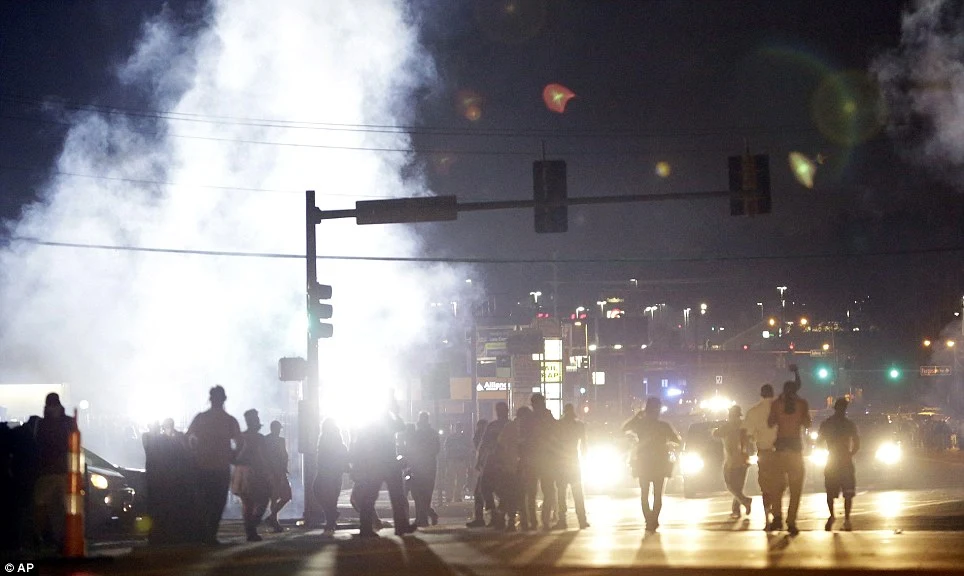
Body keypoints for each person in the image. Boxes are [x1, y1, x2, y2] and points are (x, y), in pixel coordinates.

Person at [350, 392, 417, 538]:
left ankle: (368, 527)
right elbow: (401, 426)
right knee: (392, 496)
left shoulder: (374, 419)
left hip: (379, 462)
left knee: (375, 495)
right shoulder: (384, 418)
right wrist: (395, 412)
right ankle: (399, 526)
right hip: (385, 462)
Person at [187, 385, 242, 545]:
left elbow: (187, 437)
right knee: (217, 502)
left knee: (203, 501)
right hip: (220, 468)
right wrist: (234, 455)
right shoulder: (229, 420)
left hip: (202, 466)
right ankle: (210, 534)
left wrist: (193, 451)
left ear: (210, 399)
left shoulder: (201, 418)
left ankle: (203, 533)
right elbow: (240, 442)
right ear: (224, 399)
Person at [623, 397, 680, 532]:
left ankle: (649, 520)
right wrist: (669, 445)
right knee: (658, 494)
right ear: (658, 410)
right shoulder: (663, 426)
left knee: (644, 493)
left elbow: (624, 428)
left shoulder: (640, 424)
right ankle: (654, 519)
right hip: (660, 463)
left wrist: (636, 417)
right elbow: (677, 440)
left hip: (644, 463)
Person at [767, 364, 809, 536]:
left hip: (780, 448)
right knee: (796, 488)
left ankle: (777, 516)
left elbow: (770, 423)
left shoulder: (777, 404)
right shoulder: (801, 404)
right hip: (795, 449)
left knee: (777, 486)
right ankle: (791, 521)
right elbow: (807, 423)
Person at [33, 393, 74, 551]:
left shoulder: (42, 424)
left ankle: (40, 537)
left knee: (41, 505)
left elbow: (37, 446)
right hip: (65, 471)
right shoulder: (69, 422)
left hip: (46, 472)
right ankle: (65, 538)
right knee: (65, 508)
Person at [742, 383, 781, 530]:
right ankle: (777, 514)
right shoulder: (780, 409)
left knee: (765, 486)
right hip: (780, 452)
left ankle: (768, 519)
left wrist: (745, 451)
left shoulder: (754, 411)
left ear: (761, 394)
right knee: (778, 485)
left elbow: (746, 434)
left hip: (764, 453)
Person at [818, 398, 860, 531]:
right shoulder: (849, 424)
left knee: (830, 491)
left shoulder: (827, 423)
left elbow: (819, 442)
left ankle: (832, 516)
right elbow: (857, 442)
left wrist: (829, 449)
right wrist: (850, 453)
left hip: (832, 459)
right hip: (845, 459)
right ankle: (847, 519)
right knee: (848, 492)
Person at [232, 409, 271, 542]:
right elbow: (264, 456)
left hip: (241, 471)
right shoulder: (259, 438)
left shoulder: (242, 436)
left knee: (247, 503)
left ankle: (250, 529)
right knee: (262, 498)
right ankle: (251, 528)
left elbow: (235, 455)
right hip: (254, 471)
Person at [473, 402, 511, 529]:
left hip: (500, 463)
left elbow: (483, 445)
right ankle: (496, 514)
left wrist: (480, 461)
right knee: (485, 488)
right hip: (495, 462)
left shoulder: (507, 426)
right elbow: (483, 445)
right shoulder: (499, 426)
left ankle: (498, 515)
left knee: (495, 490)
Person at [713, 405, 752, 519]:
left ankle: (745, 501)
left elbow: (715, 434)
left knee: (730, 485)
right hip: (744, 460)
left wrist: (714, 430)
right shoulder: (745, 426)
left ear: (730, 415)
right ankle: (736, 510)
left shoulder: (727, 426)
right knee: (738, 486)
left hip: (731, 461)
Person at [555, 403, 589, 530]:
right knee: (577, 491)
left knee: (562, 492)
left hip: (561, 462)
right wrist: (585, 457)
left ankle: (562, 520)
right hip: (574, 461)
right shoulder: (579, 425)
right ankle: (582, 520)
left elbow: (554, 444)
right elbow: (584, 444)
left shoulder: (559, 425)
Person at [529, 393, 559, 531]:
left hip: (535, 460)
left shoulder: (532, 418)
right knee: (547, 490)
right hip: (546, 460)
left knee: (532, 492)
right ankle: (544, 519)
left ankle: (534, 521)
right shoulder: (548, 417)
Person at [314, 418, 349, 536]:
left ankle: (331, 519)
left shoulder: (324, 441)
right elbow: (344, 459)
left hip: (326, 474)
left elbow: (321, 459)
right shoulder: (338, 442)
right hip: (335, 475)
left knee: (321, 495)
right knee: (332, 499)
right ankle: (332, 519)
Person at [407, 412, 441, 527]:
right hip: (426, 466)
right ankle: (424, 517)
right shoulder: (431, 433)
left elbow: (412, 450)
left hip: (422, 466)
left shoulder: (419, 434)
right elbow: (436, 449)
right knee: (421, 494)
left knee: (421, 495)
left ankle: (423, 518)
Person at [264, 420, 292, 533]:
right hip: (275, 472)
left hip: (276, 472)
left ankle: (272, 518)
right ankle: (273, 521)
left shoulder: (271, 440)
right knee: (277, 497)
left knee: (281, 496)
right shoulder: (275, 441)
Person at [465, 418, 490, 528]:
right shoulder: (481, 437)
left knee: (480, 493)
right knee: (482, 493)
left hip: (487, 469)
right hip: (486, 469)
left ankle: (482, 518)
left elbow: (481, 452)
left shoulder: (485, 438)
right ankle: (494, 518)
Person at [442, 422, 473, 503]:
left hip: (460, 460)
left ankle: (456, 496)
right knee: (451, 479)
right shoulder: (451, 438)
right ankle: (450, 496)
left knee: (460, 479)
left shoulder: (463, 438)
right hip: (453, 460)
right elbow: (446, 449)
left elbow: (469, 449)